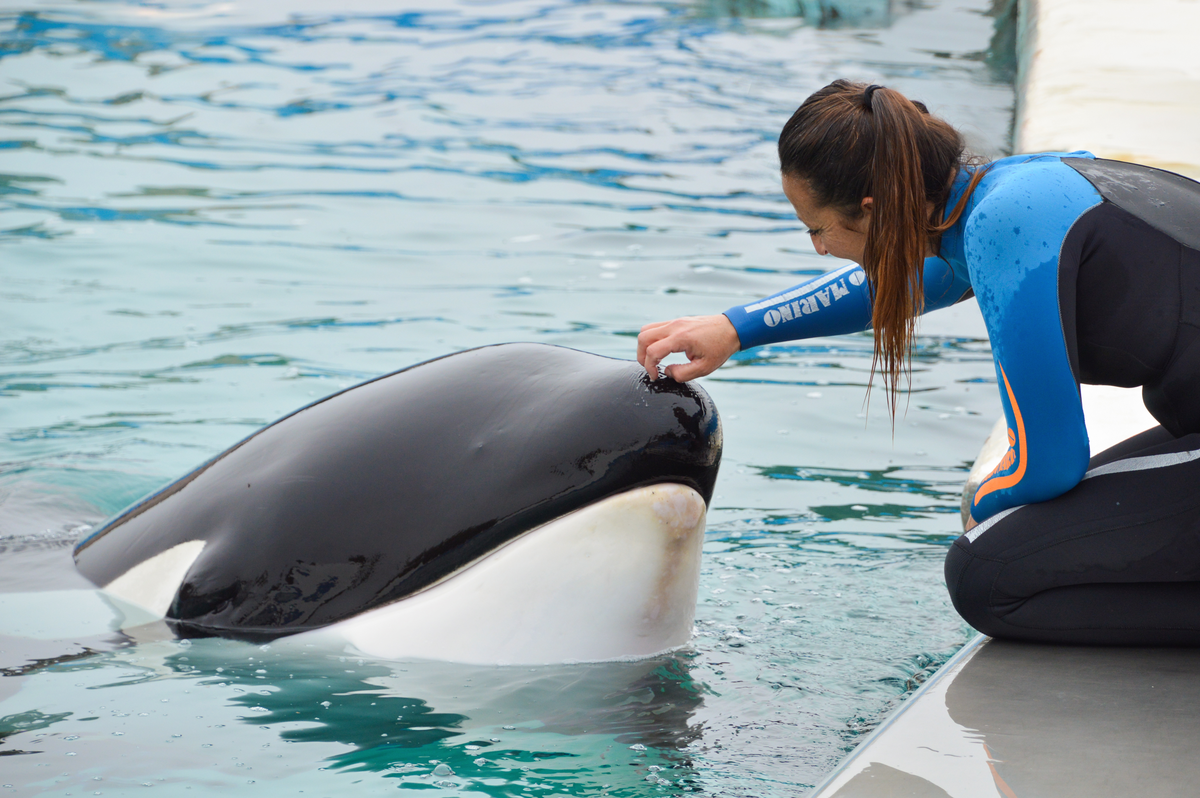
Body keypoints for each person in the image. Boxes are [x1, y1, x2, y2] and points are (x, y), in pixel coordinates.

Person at [636, 79, 1200, 645]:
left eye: (817, 228)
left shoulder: (1002, 225)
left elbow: (1047, 465)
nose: (820, 249)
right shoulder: (1010, 190)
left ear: (870, 209)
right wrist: (737, 328)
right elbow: (901, 284)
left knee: (988, 575)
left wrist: (981, 504)